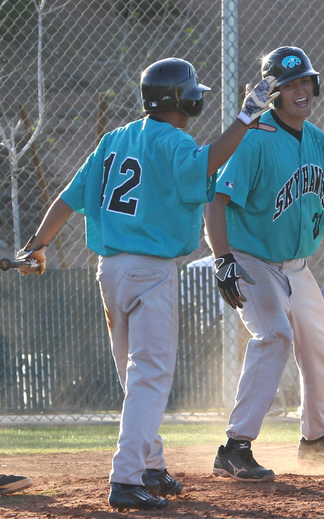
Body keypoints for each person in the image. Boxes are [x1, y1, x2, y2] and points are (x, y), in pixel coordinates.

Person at [15, 58, 278, 509]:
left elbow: (68, 198)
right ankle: (126, 478)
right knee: (151, 377)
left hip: (110, 272)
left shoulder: (114, 139)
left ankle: (151, 465)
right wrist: (244, 119)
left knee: (135, 377)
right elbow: (209, 161)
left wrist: (36, 244)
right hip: (150, 272)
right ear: (183, 99)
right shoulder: (175, 141)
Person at [205, 46, 324, 483]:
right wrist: (223, 260)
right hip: (253, 259)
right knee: (274, 336)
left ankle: (315, 439)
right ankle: (235, 448)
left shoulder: (316, 139)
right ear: (272, 93)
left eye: (304, 81)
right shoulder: (253, 137)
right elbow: (216, 200)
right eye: (288, 85)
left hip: (297, 266)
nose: (300, 90)